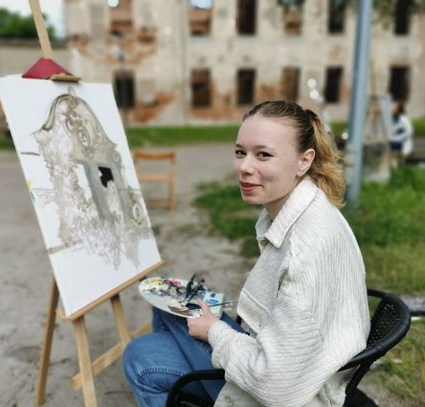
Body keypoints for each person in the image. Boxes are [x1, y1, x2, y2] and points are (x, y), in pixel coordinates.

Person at [123, 100, 370, 406]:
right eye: (240, 152)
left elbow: (275, 385)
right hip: (280, 354)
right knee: (170, 305)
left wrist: (214, 330)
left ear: (304, 161)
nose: (244, 167)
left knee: (139, 358)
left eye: (263, 155)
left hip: (293, 392)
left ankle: (181, 388)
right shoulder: (305, 208)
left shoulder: (306, 249)